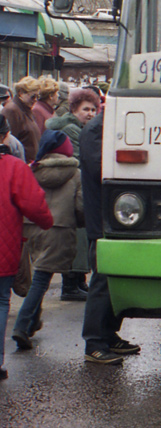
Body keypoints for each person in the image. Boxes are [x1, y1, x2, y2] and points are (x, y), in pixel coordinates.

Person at [10, 131, 83, 351]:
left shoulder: (33, 168)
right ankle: (21, 327)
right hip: (58, 228)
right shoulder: (75, 173)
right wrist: (80, 223)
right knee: (42, 278)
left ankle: (32, 322)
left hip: (32, 227)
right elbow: (80, 206)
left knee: (39, 275)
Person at [80, 111, 140, 364]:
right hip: (102, 219)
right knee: (102, 279)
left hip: (111, 217)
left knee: (112, 277)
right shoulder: (96, 130)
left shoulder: (106, 126)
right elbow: (98, 170)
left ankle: (108, 334)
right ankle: (93, 342)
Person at [0, 115, 54, 381]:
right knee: (1, 302)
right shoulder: (14, 167)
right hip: (4, 247)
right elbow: (34, 205)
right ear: (4, 136)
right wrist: (47, 222)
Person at [46, 88, 100, 300]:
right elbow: (81, 159)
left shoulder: (78, 128)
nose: (90, 113)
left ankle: (78, 282)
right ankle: (70, 285)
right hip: (70, 189)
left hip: (74, 187)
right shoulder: (72, 130)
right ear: (74, 109)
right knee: (75, 236)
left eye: (93, 109)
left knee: (79, 236)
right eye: (85, 109)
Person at [1, 76, 42, 162]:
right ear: (20, 93)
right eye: (32, 96)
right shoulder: (12, 111)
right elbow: (9, 143)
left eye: (38, 96)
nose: (35, 100)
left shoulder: (27, 110)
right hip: (20, 164)